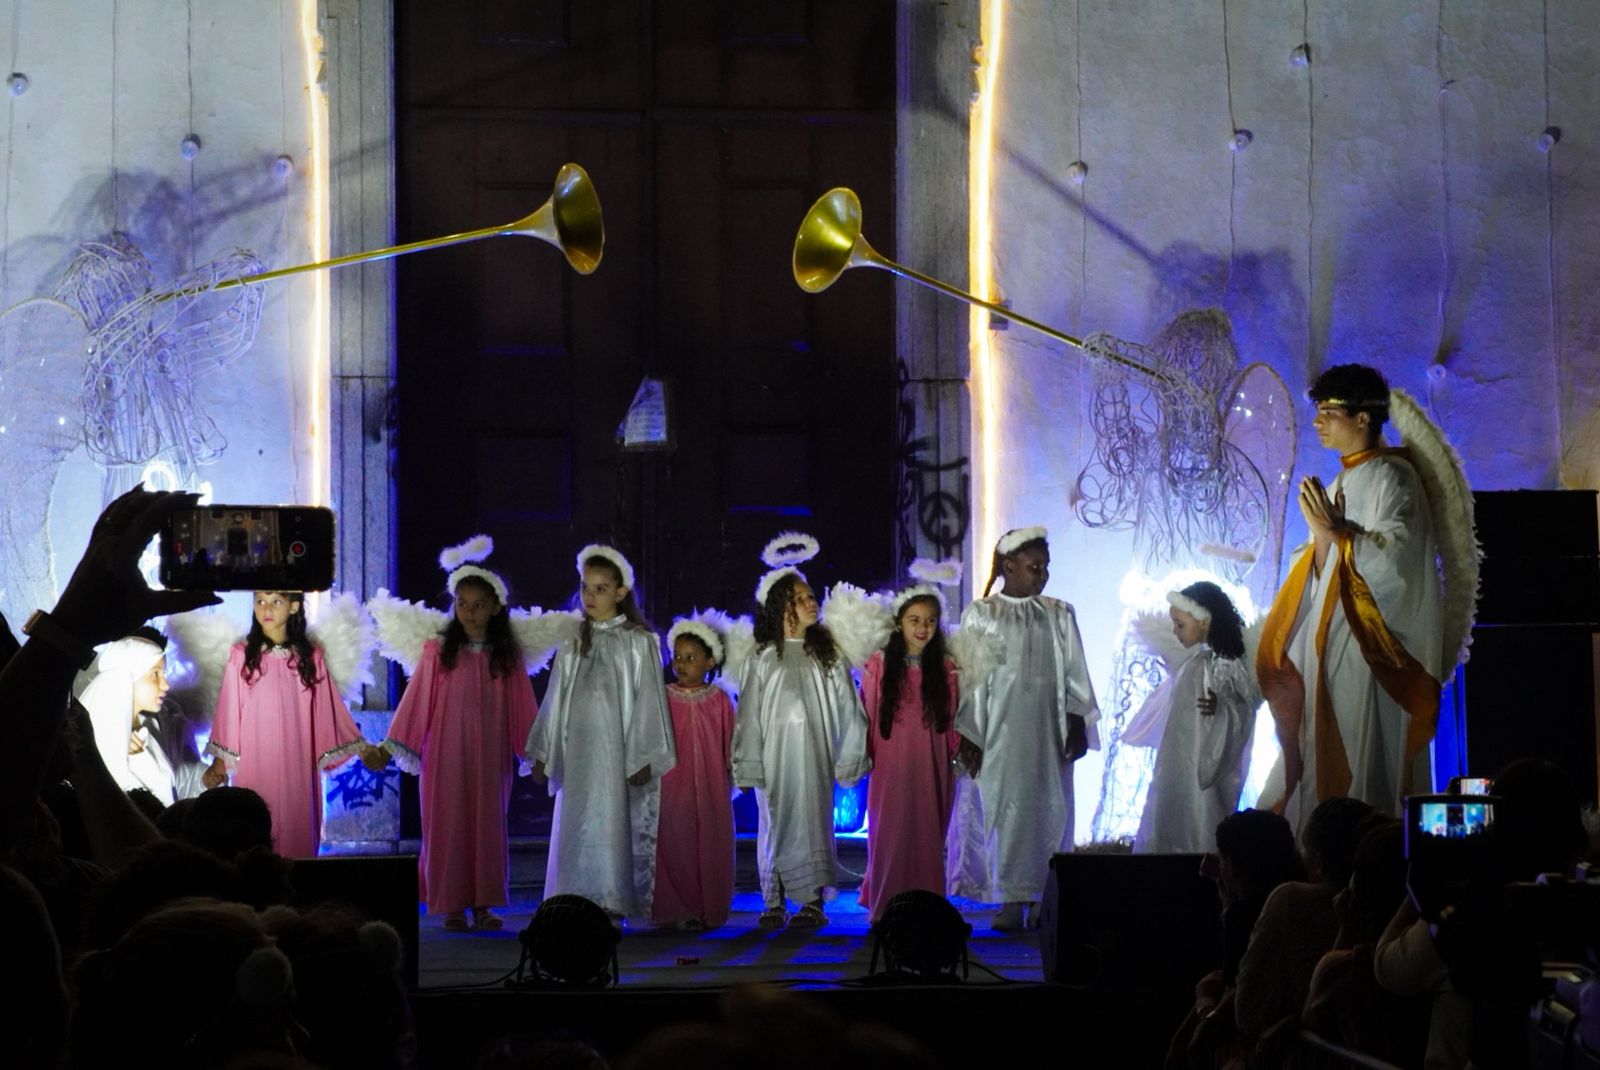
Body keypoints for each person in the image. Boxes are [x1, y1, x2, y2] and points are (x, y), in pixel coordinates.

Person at [1256, 364, 1444, 826]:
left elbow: (1398, 561)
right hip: (1331, 638)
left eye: (1329, 412)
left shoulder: (1394, 477)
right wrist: (1325, 540)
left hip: (1370, 645)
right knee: (1324, 740)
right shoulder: (1340, 483)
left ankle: (1366, 845)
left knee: (1364, 746)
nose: (1318, 422)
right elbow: (1321, 566)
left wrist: (1339, 535)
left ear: (1363, 418)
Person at [948, 526, 1099, 931]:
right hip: (998, 732)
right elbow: (972, 679)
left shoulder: (1059, 613)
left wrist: (1077, 721)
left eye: (1046, 567)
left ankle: (1042, 897)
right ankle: (1009, 897)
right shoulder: (982, 614)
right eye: (1034, 567)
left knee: (1047, 810)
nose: (1042, 575)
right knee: (1002, 809)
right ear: (1009, 565)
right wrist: (971, 732)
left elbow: (1075, 673)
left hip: (1047, 733)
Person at [382, 549, 539, 933]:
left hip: (489, 757)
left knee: (487, 826)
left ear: (495, 608)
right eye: (462, 603)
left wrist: (534, 753)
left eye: (478, 604)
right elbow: (417, 701)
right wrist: (393, 746)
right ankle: (451, 904)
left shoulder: (506, 657)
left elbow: (523, 708)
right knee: (447, 825)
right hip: (444, 756)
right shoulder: (438, 652)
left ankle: (483, 904)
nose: (468, 611)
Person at [527, 545, 675, 923]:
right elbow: (556, 697)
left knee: (611, 820)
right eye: (585, 587)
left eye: (600, 588)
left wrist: (643, 755)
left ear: (620, 592)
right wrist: (544, 750)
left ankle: (609, 898)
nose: (590, 596)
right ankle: (573, 896)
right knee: (577, 820)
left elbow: (649, 699)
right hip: (578, 751)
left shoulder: (639, 642)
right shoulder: (573, 640)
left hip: (617, 751)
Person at [732, 563, 870, 930]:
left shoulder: (827, 656)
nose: (811, 602)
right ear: (781, 607)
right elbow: (748, 714)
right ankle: (774, 899)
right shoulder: (761, 657)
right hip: (773, 757)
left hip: (814, 756)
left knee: (811, 822)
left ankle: (811, 902)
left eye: (811, 597)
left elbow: (848, 708)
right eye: (801, 598)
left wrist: (849, 756)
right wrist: (748, 761)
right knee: (774, 822)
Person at [201, 592, 384, 858]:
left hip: (297, 766)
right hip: (255, 762)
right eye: (260, 601)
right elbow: (229, 710)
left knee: (296, 835)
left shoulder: (310, 657)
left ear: (293, 606)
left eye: (276, 601)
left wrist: (361, 748)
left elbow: (328, 709)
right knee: (254, 833)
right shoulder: (242, 655)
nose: (266, 608)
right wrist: (220, 761)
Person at [857, 584, 960, 923]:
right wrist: (861, 756)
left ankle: (927, 909)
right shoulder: (879, 665)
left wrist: (958, 753)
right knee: (891, 833)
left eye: (930, 621)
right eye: (914, 619)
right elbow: (866, 715)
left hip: (932, 766)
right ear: (899, 622)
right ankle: (885, 906)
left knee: (928, 835)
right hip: (891, 766)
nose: (922, 628)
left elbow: (954, 720)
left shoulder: (945, 669)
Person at [1130, 581, 1257, 854]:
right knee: (1170, 806)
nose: (1175, 632)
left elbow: (1243, 708)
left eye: (1180, 625)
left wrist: (1223, 708)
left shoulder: (1225, 665)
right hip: (1179, 755)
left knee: (1199, 814)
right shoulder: (1199, 662)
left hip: (1202, 759)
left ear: (1204, 621)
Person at [651, 615, 737, 930]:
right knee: (675, 842)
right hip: (673, 786)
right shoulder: (663, 697)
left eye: (690, 658)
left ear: (709, 661)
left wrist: (733, 772)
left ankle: (706, 908)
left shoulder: (720, 700)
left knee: (710, 844)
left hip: (712, 788)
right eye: (677, 657)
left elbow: (731, 743)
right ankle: (675, 908)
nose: (682, 664)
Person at [79, 632, 178, 803]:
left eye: (163, 674)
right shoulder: (104, 734)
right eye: (155, 674)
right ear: (128, 677)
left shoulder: (149, 725)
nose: (165, 685)